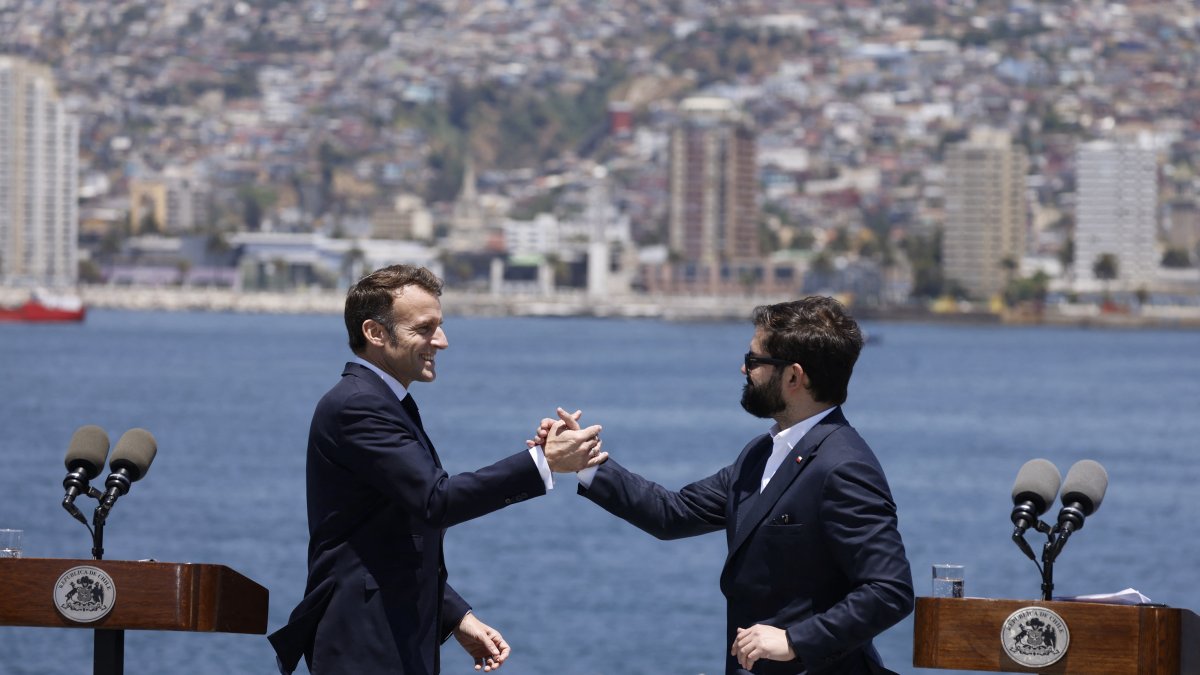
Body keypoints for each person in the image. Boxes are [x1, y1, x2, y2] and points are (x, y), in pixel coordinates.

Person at [537, 296, 913, 674]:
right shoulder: (761, 453)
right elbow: (673, 514)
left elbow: (889, 591)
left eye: (754, 361)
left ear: (794, 377)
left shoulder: (843, 466)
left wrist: (795, 640)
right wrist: (584, 461)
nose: (743, 368)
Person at [269, 265, 604, 674]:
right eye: (425, 329)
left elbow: (387, 541)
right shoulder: (358, 406)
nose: (441, 341)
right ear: (375, 333)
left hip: (389, 639)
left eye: (439, 326)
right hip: (366, 644)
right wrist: (545, 463)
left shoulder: (382, 403)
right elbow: (436, 500)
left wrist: (456, 617)